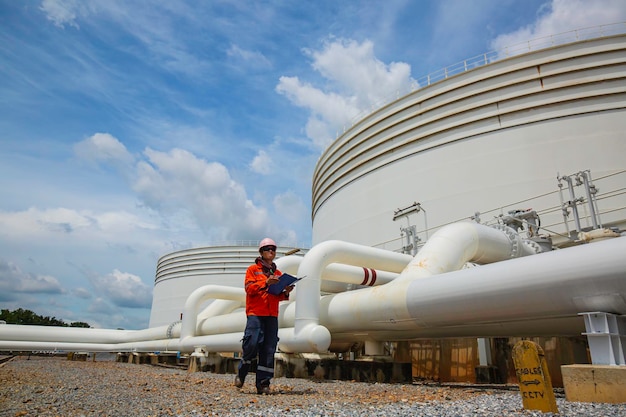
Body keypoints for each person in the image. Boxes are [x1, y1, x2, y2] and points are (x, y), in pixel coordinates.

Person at [235, 237, 293, 394]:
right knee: (252, 343)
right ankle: (242, 371)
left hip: (272, 315)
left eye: (273, 249)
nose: (271, 251)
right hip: (255, 313)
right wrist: (266, 283)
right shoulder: (253, 270)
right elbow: (249, 289)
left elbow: (277, 295)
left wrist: (285, 292)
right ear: (261, 252)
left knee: (269, 348)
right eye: (268, 249)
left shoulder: (278, 273)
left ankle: (263, 384)